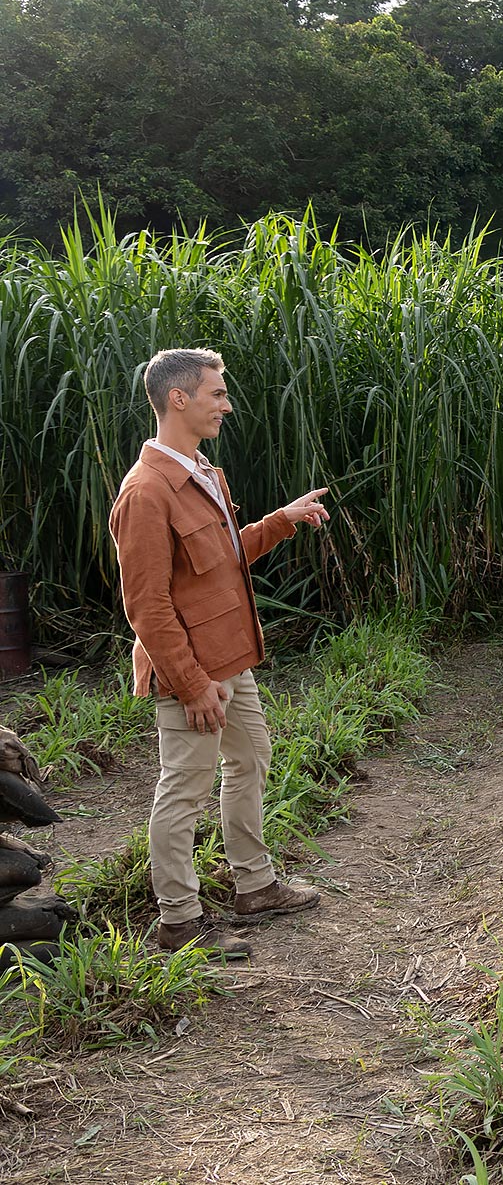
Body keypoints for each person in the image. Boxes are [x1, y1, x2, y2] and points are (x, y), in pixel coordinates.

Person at [107, 348, 333, 960]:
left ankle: (255, 887)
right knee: (184, 788)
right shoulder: (147, 493)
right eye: (216, 394)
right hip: (193, 672)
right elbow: (147, 606)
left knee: (250, 760)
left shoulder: (204, 472)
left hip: (231, 660)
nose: (226, 405)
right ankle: (178, 919)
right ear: (178, 399)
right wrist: (190, 683)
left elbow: (226, 560)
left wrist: (283, 519)